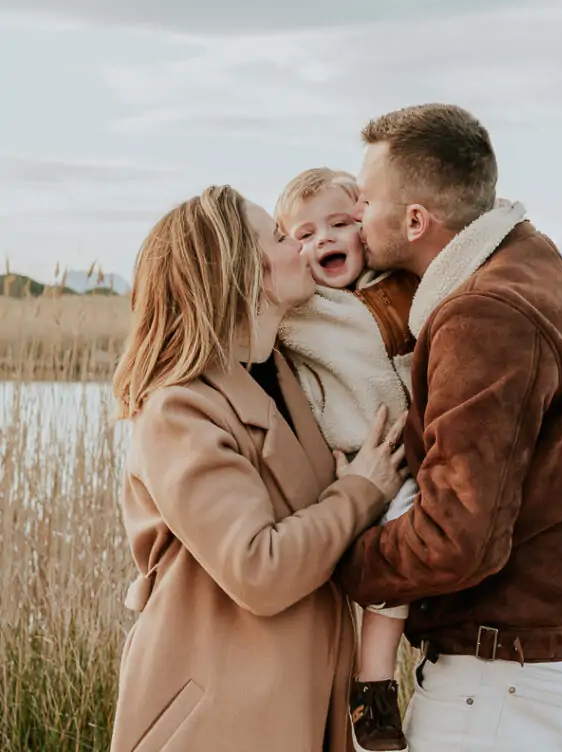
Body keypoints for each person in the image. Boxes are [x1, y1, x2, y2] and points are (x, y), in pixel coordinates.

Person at [337, 104, 562, 752]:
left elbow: (454, 537)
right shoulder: (531, 263)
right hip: (532, 671)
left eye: (366, 198)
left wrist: (331, 555)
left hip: (501, 686)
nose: (356, 212)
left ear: (415, 220)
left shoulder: (484, 315)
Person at [109, 185, 407, 752]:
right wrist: (363, 490)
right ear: (242, 274)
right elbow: (259, 569)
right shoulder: (179, 407)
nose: (300, 248)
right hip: (218, 718)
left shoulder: (286, 375)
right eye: (279, 236)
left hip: (299, 702)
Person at [276, 167, 419, 752]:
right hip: (354, 457)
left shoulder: (402, 285)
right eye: (304, 235)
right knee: (387, 558)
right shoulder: (300, 312)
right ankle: (374, 686)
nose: (324, 240)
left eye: (340, 223)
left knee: (408, 552)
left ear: (365, 225)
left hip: (412, 452)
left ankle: (377, 681)